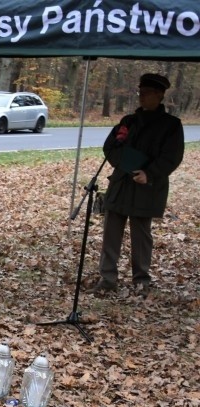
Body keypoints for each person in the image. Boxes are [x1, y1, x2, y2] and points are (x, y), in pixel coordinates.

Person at [89, 73, 184, 298]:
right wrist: (124, 164)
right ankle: (108, 277)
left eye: (147, 93)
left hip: (147, 187)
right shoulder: (128, 122)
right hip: (121, 183)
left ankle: (141, 279)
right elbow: (110, 147)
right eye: (140, 92)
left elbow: (172, 156)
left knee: (141, 235)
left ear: (160, 95)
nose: (142, 97)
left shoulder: (171, 125)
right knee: (111, 232)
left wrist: (149, 173)